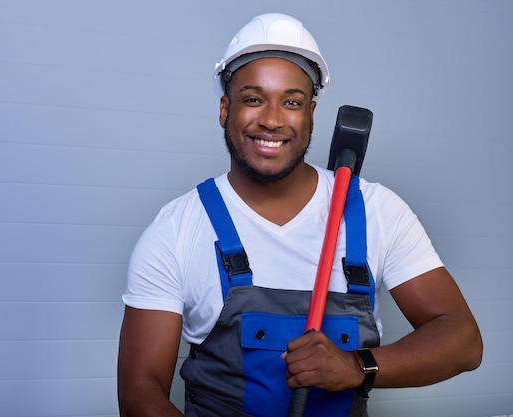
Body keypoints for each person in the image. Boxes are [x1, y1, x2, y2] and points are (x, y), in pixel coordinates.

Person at [117, 12, 482, 417]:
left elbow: (463, 339)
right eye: (253, 99)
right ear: (225, 109)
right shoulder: (177, 229)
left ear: (311, 114)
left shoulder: (377, 212)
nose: (272, 120)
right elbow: (140, 393)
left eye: (291, 102)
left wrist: (355, 365)